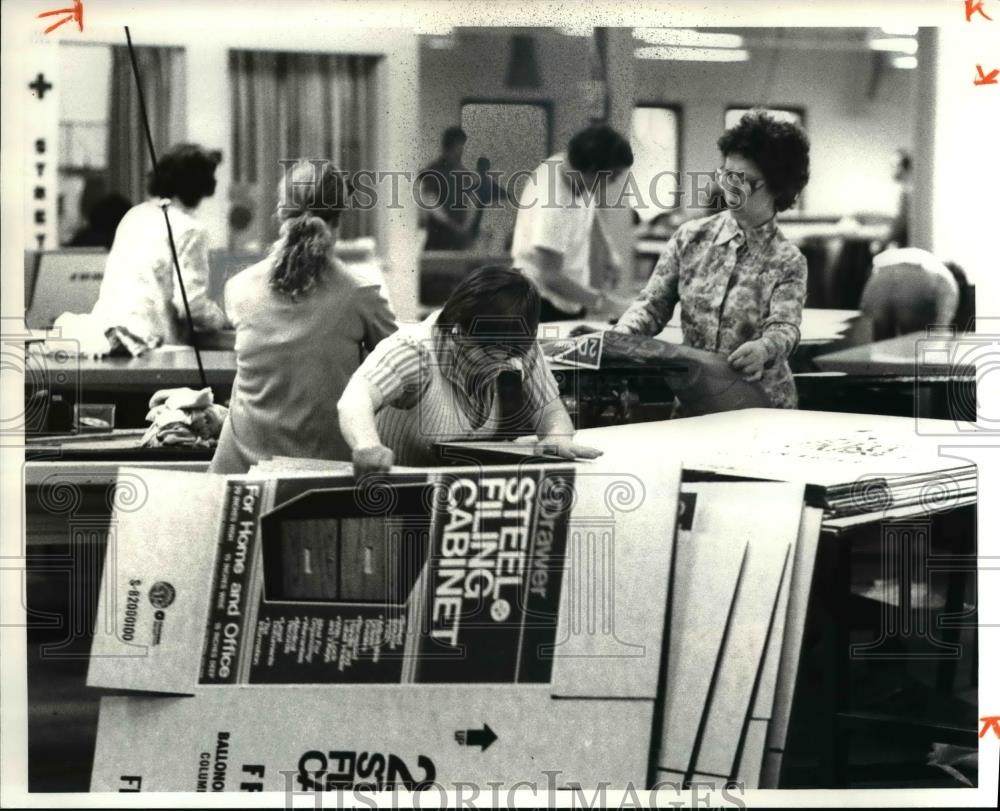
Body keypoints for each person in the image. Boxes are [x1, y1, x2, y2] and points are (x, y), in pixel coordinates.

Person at [614, 110, 811, 410]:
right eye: (727, 175)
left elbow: (785, 327)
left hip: (760, 403)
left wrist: (764, 348)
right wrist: (619, 338)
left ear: (777, 185)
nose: (730, 188)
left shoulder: (787, 259)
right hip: (696, 399)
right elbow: (653, 304)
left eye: (744, 181)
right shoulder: (690, 238)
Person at [209, 161, 397, 474]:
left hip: (237, 475)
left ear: (280, 213)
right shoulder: (360, 294)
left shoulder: (237, 288)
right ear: (339, 218)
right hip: (319, 478)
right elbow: (399, 367)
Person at [337, 266, 601, 474]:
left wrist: (556, 438)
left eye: (512, 354)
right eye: (488, 353)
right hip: (397, 510)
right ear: (457, 333)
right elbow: (355, 398)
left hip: (460, 507)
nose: (503, 365)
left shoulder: (514, 347)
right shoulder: (414, 351)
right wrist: (367, 446)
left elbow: (551, 411)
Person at [90, 144, 227, 346]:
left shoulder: (134, 215)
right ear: (203, 186)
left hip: (107, 338)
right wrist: (221, 318)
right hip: (156, 345)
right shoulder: (190, 230)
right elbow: (190, 305)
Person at [510, 124, 636, 321]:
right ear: (593, 171)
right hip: (540, 304)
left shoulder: (572, 166)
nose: (614, 183)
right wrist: (610, 304)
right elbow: (551, 277)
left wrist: (608, 250)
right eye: (614, 177)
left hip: (567, 297)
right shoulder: (552, 205)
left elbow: (589, 208)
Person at [860, 247, 963, 341]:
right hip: (920, 278)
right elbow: (941, 327)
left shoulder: (926, 258)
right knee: (917, 342)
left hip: (878, 278)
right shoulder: (947, 277)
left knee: (879, 344)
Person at [418, 126, 476, 251]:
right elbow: (431, 202)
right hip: (439, 236)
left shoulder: (464, 173)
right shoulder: (434, 170)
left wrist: (466, 228)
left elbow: (470, 201)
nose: (461, 151)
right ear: (449, 147)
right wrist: (452, 225)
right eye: (459, 146)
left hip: (459, 238)